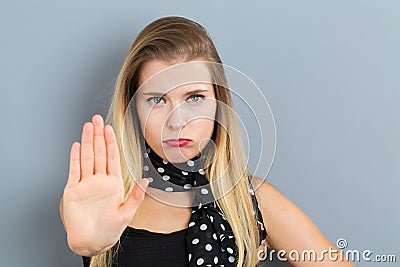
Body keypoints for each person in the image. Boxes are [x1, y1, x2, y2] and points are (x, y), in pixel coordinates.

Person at [59, 16, 355, 267]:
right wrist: (89, 249)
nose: (177, 122)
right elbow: (87, 234)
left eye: (195, 97)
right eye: (157, 100)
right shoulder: (99, 197)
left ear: (219, 103)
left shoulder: (251, 199)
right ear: (133, 107)